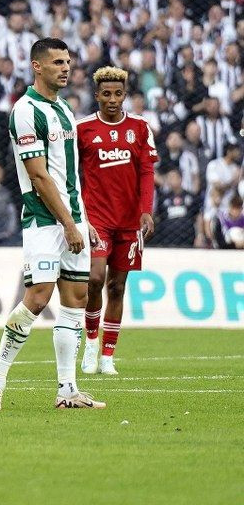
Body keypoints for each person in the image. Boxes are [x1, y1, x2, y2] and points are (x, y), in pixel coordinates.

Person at [0, 38, 105, 412]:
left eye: (68, 61)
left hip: (72, 220)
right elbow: (38, 176)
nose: (66, 68)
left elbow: (68, 176)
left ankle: (67, 390)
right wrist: (68, 223)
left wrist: (84, 220)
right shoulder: (25, 110)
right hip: (43, 222)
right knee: (37, 298)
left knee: (76, 300)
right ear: (37, 66)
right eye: (57, 62)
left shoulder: (65, 110)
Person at [77, 67, 157, 376]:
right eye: (106, 94)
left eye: (118, 94)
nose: (112, 100)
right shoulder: (83, 129)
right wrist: (79, 215)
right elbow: (71, 171)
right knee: (95, 279)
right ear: (96, 95)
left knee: (118, 286)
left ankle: (108, 356)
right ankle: (91, 342)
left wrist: (145, 210)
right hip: (97, 219)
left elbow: (147, 171)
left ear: (125, 95)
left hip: (129, 222)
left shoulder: (139, 127)